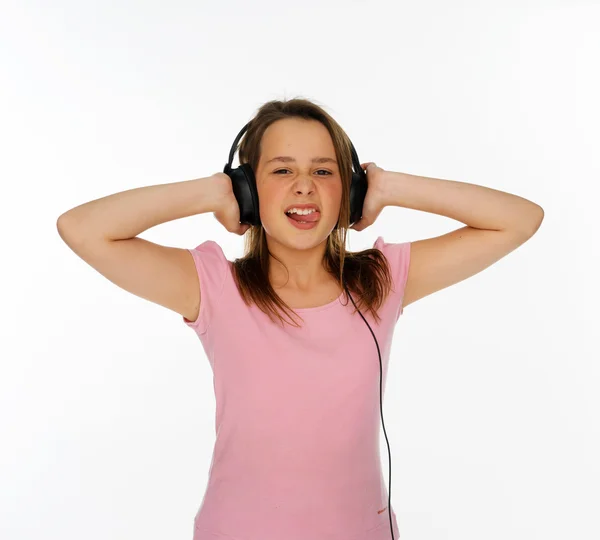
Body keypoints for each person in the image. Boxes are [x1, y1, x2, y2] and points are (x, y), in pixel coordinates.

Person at [56, 98, 544, 540]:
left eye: (325, 172)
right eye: (282, 170)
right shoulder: (212, 287)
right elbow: (82, 230)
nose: (305, 186)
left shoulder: (383, 280)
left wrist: (389, 186)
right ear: (249, 189)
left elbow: (519, 219)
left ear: (349, 192)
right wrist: (211, 192)